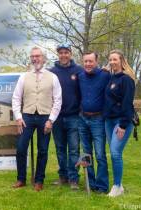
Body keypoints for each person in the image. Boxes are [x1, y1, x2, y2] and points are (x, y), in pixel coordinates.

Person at [12, 47, 62, 191]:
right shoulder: (24, 76)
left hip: (45, 117)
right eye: (32, 56)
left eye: (38, 56)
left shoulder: (53, 77)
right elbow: (16, 98)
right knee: (21, 148)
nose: (35, 59)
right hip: (27, 116)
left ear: (43, 58)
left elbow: (58, 100)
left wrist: (51, 120)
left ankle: (39, 180)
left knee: (43, 150)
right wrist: (18, 117)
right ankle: (21, 179)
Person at [103, 50, 136, 197]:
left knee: (115, 153)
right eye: (110, 59)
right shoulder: (111, 78)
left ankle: (116, 186)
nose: (112, 62)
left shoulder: (126, 80)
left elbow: (127, 103)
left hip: (121, 121)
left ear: (121, 61)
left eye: (115, 59)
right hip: (108, 121)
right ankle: (119, 185)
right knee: (115, 153)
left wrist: (123, 125)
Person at [50, 44, 83, 190]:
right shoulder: (52, 72)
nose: (63, 55)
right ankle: (63, 177)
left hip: (74, 116)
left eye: (66, 52)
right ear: (58, 54)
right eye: (61, 53)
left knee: (74, 149)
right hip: (56, 117)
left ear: (71, 53)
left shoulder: (79, 71)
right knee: (60, 148)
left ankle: (74, 178)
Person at [78, 51, 110, 193]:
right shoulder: (80, 77)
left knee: (100, 154)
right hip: (83, 119)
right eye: (85, 61)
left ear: (96, 61)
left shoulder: (105, 75)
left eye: (91, 61)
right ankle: (90, 183)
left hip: (98, 119)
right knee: (86, 153)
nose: (88, 64)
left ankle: (102, 186)